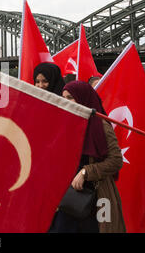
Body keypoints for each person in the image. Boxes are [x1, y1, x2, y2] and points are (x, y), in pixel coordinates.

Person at [49, 80, 126, 233]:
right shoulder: (66, 123)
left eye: (70, 97)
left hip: (96, 196)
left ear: (83, 98)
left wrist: (86, 172)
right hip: (69, 197)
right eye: (63, 97)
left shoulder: (100, 125)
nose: (66, 101)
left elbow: (116, 160)